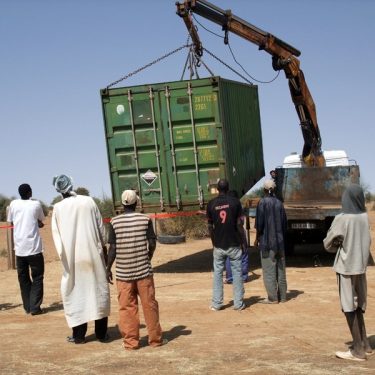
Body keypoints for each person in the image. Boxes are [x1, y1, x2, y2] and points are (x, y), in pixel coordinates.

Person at [51, 175, 110, 344]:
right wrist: (104, 255)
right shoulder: (89, 201)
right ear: (71, 185)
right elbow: (101, 231)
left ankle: (78, 336)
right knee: (98, 293)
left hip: (72, 260)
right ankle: (101, 334)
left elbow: (57, 238)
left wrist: (65, 259)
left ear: (58, 190)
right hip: (94, 256)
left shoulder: (58, 208)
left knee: (75, 295)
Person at [106, 190, 166, 350]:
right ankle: (155, 340)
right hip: (144, 272)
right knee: (150, 305)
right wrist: (148, 257)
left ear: (122, 204)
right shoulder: (145, 219)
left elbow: (112, 248)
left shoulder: (114, 222)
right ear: (136, 203)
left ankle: (131, 342)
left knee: (127, 309)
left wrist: (107, 268)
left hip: (123, 274)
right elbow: (152, 243)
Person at [323, 184, 372, 361]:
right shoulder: (364, 217)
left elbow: (328, 244)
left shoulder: (342, 218)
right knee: (359, 304)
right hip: (361, 266)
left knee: (348, 306)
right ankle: (365, 344)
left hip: (346, 267)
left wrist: (337, 244)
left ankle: (357, 350)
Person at [207, 179, 245, 311]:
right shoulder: (235, 202)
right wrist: (243, 241)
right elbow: (240, 224)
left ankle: (217, 304)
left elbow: (210, 227)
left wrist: (214, 243)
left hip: (219, 244)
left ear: (217, 189)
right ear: (228, 189)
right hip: (234, 243)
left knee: (218, 274)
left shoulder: (211, 204)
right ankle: (238, 304)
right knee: (237, 273)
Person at [7, 183, 45, 315]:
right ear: (29, 192)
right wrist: (37, 223)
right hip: (34, 249)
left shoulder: (13, 204)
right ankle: (35, 307)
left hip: (19, 249)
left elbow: (11, 222)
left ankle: (28, 307)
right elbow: (40, 221)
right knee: (38, 277)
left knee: (23, 278)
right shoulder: (36, 204)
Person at [254, 179, 287, 304]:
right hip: (280, 242)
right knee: (281, 270)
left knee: (269, 270)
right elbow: (284, 225)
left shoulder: (262, 203)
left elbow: (259, 225)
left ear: (264, 190)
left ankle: (273, 298)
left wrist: (257, 238)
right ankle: (283, 297)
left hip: (267, 243)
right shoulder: (279, 203)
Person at [224, 190, 249, 284]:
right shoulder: (238, 207)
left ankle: (230, 278)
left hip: (228, 234)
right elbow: (240, 223)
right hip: (238, 233)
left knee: (229, 256)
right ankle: (243, 277)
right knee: (243, 254)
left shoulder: (225, 207)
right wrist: (242, 238)